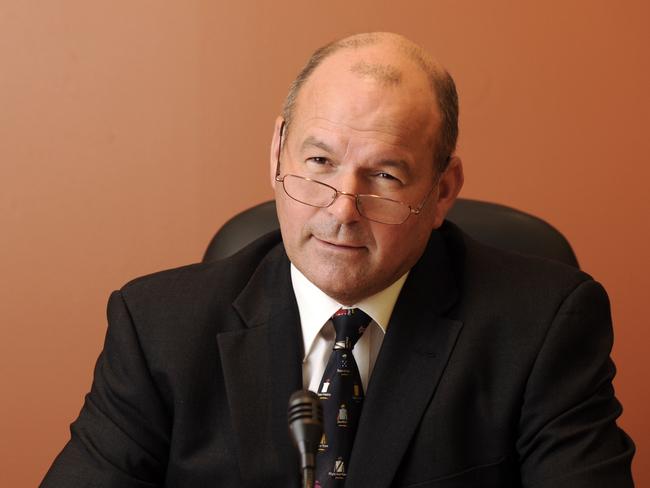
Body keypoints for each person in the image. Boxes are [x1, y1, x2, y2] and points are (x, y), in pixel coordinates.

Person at [41, 32, 634, 487]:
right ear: (278, 153)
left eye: (384, 175)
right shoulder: (158, 326)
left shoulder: (542, 327)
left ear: (443, 191)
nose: (342, 209)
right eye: (319, 163)